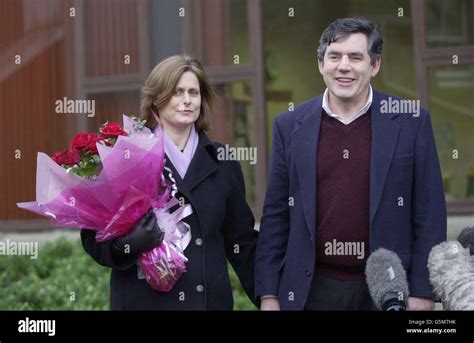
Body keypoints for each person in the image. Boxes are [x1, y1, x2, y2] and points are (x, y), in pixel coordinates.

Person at [255, 17, 446, 311]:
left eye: (356, 57)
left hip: (390, 292)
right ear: (321, 64)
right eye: (334, 57)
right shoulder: (289, 125)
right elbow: (276, 216)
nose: (344, 66)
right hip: (310, 291)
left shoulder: (412, 122)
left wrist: (423, 291)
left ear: (374, 66)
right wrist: (269, 294)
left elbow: (430, 213)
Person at [81, 55, 258, 310]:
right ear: (156, 99)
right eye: (176, 92)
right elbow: (92, 237)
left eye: (193, 93)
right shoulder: (127, 157)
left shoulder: (223, 161)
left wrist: (268, 296)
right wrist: (127, 245)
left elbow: (241, 242)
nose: (187, 100)